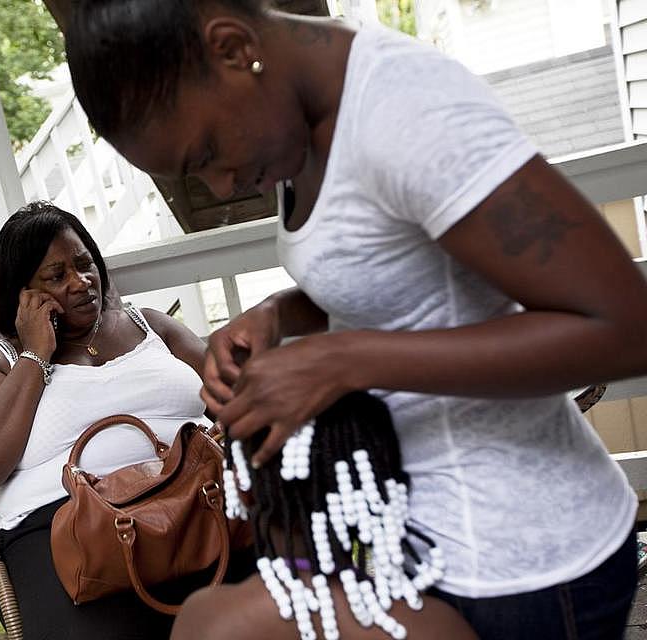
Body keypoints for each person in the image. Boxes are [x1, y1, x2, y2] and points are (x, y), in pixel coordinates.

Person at [65, 3, 647, 638]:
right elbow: (404, 269)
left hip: (519, 566)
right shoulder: (299, 112)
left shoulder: (407, 113)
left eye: (206, 152)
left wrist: (342, 362)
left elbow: (625, 328)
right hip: (410, 535)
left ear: (233, 47)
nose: (222, 183)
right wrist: (279, 314)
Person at [0, 201, 251, 639]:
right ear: (22, 294)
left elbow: (237, 401)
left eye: (84, 263)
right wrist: (36, 355)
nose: (81, 281)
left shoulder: (151, 326)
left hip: (197, 502)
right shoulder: (0, 364)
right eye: (55, 276)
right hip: (69, 536)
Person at [172, 391, 478, 640]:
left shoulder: (206, 619)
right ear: (384, 484)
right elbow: (366, 560)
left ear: (243, 490)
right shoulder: (434, 625)